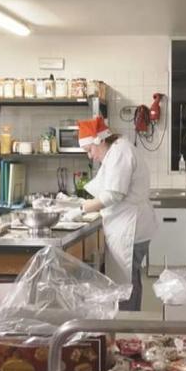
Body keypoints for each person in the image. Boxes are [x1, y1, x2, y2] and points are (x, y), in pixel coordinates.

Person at [76, 116, 157, 311]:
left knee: (126, 280)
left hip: (131, 226)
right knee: (129, 276)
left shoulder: (120, 151)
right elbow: (103, 187)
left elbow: (113, 194)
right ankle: (128, 323)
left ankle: (127, 324)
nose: (90, 156)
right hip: (128, 223)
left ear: (100, 140)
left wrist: (82, 209)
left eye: (89, 150)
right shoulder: (115, 151)